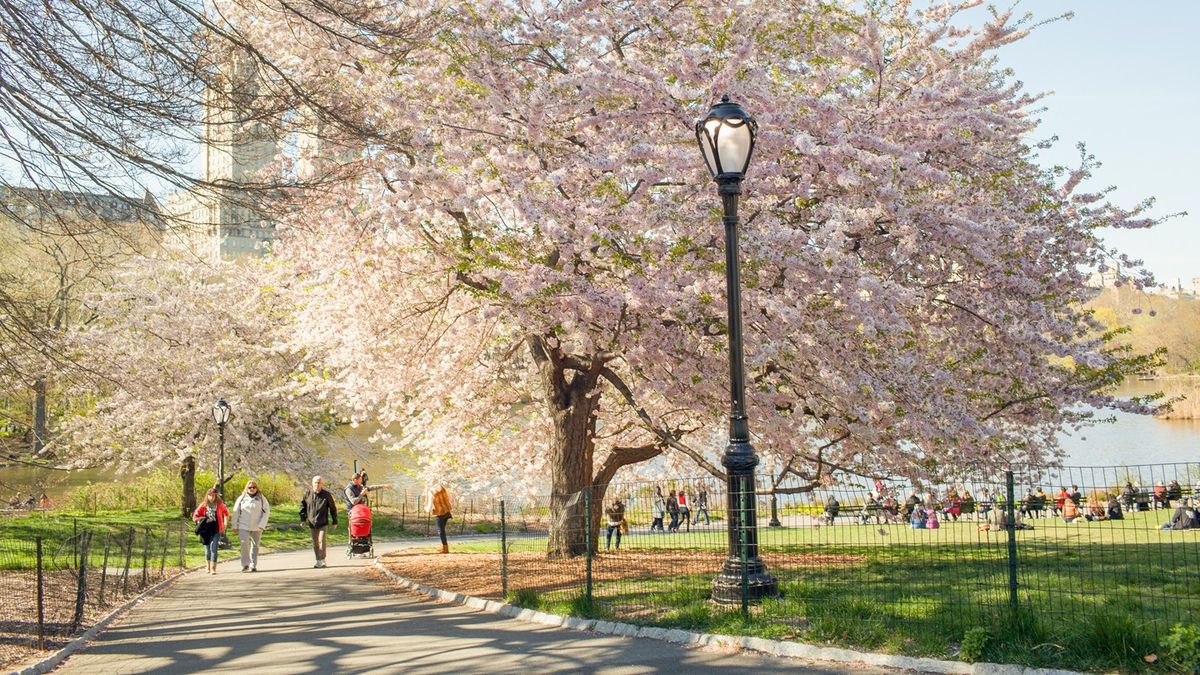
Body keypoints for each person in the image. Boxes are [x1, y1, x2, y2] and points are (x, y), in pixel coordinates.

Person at [231, 480, 270, 572]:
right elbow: (235, 511)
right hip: (243, 525)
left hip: (257, 526)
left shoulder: (261, 498)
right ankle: (245, 564)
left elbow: (266, 511)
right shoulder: (242, 498)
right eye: (250, 487)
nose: (252, 489)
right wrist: (234, 525)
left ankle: (253, 564)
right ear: (246, 488)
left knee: (255, 545)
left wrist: (262, 524)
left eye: (254, 487)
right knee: (244, 543)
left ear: (257, 488)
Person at [300, 476, 338, 568]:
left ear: (322, 484)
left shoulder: (326, 495)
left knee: (322, 541)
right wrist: (302, 520)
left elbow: (332, 508)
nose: (317, 484)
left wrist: (334, 521)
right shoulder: (307, 494)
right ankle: (318, 560)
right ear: (312, 483)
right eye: (315, 482)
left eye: (319, 483)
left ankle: (323, 560)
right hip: (312, 522)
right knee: (315, 542)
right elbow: (302, 507)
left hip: (323, 522)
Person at [192, 488, 230, 575]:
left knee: (214, 548)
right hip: (205, 530)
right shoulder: (203, 505)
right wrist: (200, 520)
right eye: (210, 495)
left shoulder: (220, 505)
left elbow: (226, 514)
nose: (212, 497)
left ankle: (213, 568)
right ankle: (208, 566)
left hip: (216, 529)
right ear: (207, 496)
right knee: (207, 549)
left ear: (216, 495)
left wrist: (225, 524)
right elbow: (195, 516)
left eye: (213, 495)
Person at [426, 484, 452, 553]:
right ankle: (444, 547)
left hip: (439, 513)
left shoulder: (431, 492)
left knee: (440, 531)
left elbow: (430, 505)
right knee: (442, 531)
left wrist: (427, 509)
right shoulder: (443, 489)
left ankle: (445, 548)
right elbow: (448, 498)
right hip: (447, 511)